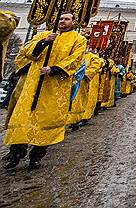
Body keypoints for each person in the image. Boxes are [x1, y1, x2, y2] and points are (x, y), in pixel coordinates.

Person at [3, 12, 86, 169]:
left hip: (54, 86)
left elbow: (75, 59)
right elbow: (26, 50)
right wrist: (44, 42)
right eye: (60, 18)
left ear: (73, 22)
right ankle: (15, 153)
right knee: (24, 118)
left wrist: (54, 69)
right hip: (33, 84)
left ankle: (36, 156)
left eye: (66, 19)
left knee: (47, 121)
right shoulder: (44, 34)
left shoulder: (78, 39)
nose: (62, 21)